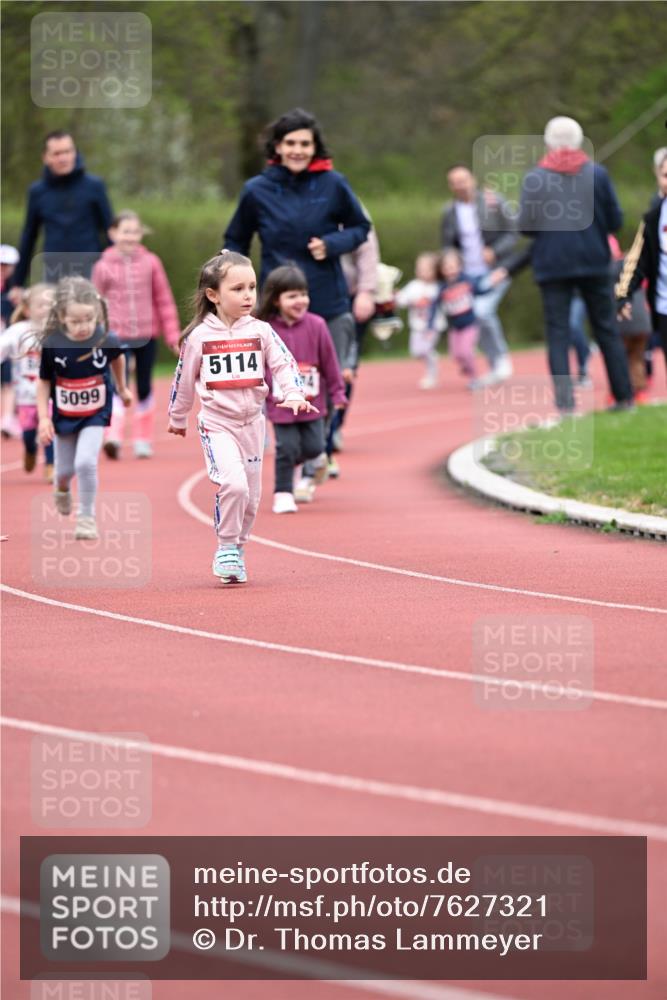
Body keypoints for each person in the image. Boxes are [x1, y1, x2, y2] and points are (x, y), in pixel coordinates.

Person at [224, 108, 370, 480]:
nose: (298, 150)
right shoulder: (256, 189)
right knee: (279, 379)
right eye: (291, 143)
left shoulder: (334, 183)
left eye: (305, 143)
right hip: (276, 301)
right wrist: (237, 279)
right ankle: (296, 449)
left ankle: (321, 446)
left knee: (329, 377)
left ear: (314, 147)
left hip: (327, 296)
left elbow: (360, 227)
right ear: (277, 147)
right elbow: (235, 239)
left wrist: (333, 243)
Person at [167, 251, 314, 584]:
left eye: (252, 287)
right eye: (238, 289)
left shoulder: (261, 330)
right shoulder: (199, 337)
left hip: (252, 424)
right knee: (232, 484)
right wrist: (177, 417)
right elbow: (183, 380)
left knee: (251, 496)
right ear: (213, 294)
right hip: (217, 424)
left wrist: (293, 393)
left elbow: (283, 364)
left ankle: (238, 547)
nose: (248, 295)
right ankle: (226, 547)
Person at [518, 116, 633, 413]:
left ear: (548, 143)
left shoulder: (535, 178)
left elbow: (526, 227)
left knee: (557, 333)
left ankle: (566, 405)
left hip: (552, 264)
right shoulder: (598, 174)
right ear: (580, 141)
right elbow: (616, 221)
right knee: (606, 329)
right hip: (594, 261)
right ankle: (624, 397)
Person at [37, 277, 132, 540]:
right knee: (65, 470)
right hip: (64, 414)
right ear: (62, 318)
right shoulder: (52, 344)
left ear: (98, 313)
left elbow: (118, 359)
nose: (83, 327)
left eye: (89, 319)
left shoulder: (105, 338)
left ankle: (86, 519)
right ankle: (62, 486)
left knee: (86, 463)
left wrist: (122, 388)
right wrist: (44, 419)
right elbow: (44, 382)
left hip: (95, 412)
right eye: (76, 321)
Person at [257, 264, 347, 512]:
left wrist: (338, 392)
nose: (300, 301)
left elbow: (330, 362)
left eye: (303, 294)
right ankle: (283, 492)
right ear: (276, 300)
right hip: (281, 403)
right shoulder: (265, 329)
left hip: (312, 401)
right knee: (285, 448)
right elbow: (259, 365)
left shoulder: (317, 325)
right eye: (292, 296)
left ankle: (306, 463)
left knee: (315, 447)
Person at [92, 210, 181, 459]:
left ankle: (143, 439)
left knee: (143, 385)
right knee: (117, 384)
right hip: (115, 336)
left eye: (134, 231)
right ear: (113, 233)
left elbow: (164, 299)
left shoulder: (151, 262)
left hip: (146, 333)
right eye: (125, 231)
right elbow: (94, 303)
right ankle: (114, 436)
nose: (130, 237)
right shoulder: (102, 265)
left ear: (141, 234)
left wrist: (172, 335)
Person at [9, 132, 113, 299]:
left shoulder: (94, 186)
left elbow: (110, 231)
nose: (63, 158)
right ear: (46, 157)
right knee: (56, 322)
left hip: (91, 270)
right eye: (57, 154)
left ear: (75, 153)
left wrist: (118, 271)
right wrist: (17, 283)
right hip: (54, 272)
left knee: (90, 321)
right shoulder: (37, 192)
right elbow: (29, 236)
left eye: (68, 151)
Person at [441, 165, 517, 386]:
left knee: (483, 312)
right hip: (467, 276)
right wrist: (451, 265)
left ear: (472, 180)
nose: (460, 185)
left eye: (463, 180)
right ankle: (494, 365)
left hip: (496, 271)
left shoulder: (493, 202)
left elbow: (513, 232)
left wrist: (495, 251)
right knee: (475, 318)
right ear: (451, 186)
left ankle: (501, 358)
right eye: (455, 182)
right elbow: (447, 245)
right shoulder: (449, 211)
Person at [615, 150, 667, 380]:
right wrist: (623, 294)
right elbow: (637, 259)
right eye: (665, 175)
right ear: (657, 177)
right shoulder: (653, 218)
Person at [427, 249, 508, 385]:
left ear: (460, 266)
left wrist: (493, 284)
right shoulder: (443, 288)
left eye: (453, 266)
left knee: (465, 351)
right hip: (455, 327)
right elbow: (434, 307)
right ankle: (467, 365)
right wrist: (430, 327)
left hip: (470, 324)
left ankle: (474, 378)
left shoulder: (467, 281)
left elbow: (480, 291)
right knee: (456, 355)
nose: (450, 270)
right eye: (446, 267)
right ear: (441, 269)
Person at [1, 284, 55, 479]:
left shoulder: (59, 331)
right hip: (25, 396)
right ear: (27, 309)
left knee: (50, 430)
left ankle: (51, 466)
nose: (47, 309)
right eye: (41, 305)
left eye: (51, 305)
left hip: (51, 395)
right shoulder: (18, 331)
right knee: (28, 434)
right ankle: (30, 450)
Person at [395, 252, 444, 389]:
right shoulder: (414, 286)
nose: (422, 272)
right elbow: (402, 300)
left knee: (425, 349)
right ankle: (431, 359)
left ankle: (431, 375)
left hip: (433, 326)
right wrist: (395, 296)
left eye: (427, 269)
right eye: (420, 268)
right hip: (417, 325)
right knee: (416, 351)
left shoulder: (438, 287)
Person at [1, 244, 20, 438]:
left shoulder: (15, 290)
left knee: (9, 382)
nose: (3, 268)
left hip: (6, 344)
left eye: (7, 265)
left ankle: (7, 418)